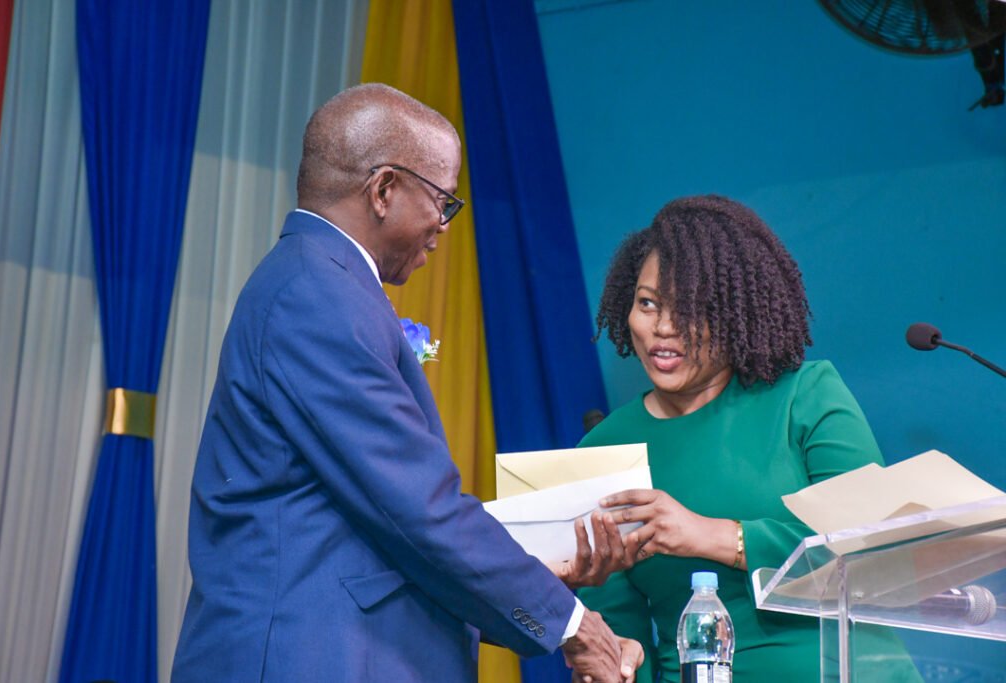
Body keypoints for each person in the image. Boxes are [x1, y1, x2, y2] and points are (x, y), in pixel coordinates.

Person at [171, 83, 642, 682]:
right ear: (384, 190)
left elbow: (370, 523)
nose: (443, 226)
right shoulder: (317, 297)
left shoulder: (318, 281)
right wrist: (573, 625)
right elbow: (418, 511)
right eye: (442, 201)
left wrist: (537, 567)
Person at [576, 195, 922, 682]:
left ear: (738, 312)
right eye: (648, 303)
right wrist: (616, 661)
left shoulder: (806, 395)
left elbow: (872, 547)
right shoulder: (602, 450)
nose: (664, 327)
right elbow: (617, 632)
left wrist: (716, 536)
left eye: (691, 307)